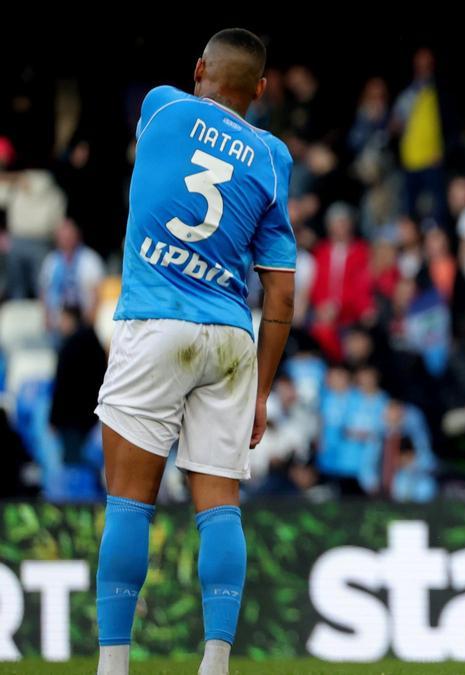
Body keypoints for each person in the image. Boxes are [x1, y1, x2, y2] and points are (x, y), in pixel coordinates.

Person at [93, 28, 296, 675]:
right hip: (231, 336)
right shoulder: (273, 158)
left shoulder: (163, 104)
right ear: (261, 90)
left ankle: (113, 665)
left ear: (199, 68)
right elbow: (282, 295)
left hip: (155, 320)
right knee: (219, 505)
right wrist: (262, 390)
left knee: (129, 499)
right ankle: (214, 663)